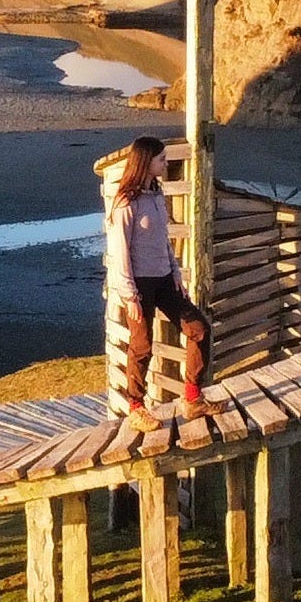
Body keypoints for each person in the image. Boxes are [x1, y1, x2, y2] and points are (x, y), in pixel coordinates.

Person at [102, 135, 208, 428]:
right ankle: (136, 408)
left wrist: (175, 271)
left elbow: (163, 239)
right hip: (138, 285)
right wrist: (130, 295)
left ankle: (193, 399)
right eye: (161, 159)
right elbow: (119, 250)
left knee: (198, 329)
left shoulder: (157, 194)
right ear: (146, 162)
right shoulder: (126, 202)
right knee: (142, 346)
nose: (166, 163)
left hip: (164, 279)